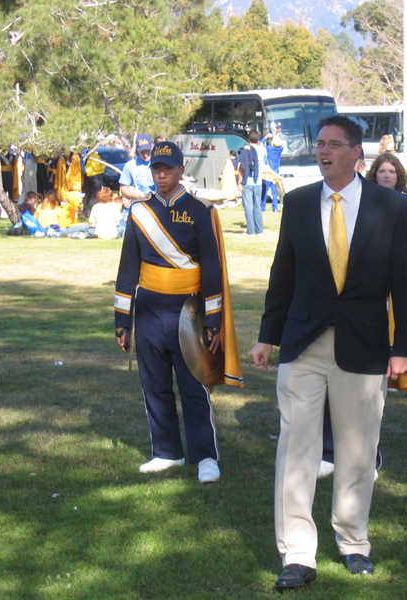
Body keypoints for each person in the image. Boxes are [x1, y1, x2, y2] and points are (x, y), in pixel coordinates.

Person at [249, 115, 407, 591]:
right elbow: (283, 274)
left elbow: (406, 284)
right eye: (319, 144)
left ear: (355, 153)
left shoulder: (391, 206)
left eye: (333, 144)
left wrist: (404, 347)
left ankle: (353, 541)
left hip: (364, 343)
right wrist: (268, 336)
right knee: (296, 447)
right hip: (303, 342)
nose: (323, 151)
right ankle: (298, 554)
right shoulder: (299, 202)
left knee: (357, 447)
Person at [114, 141, 243, 482]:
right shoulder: (139, 212)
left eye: (167, 168)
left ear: (181, 170)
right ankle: (166, 451)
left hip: (189, 309)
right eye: (156, 168)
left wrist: (213, 318)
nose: (161, 174)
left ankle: (206, 457)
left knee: (193, 385)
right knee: (154, 384)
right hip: (149, 310)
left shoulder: (200, 211)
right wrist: (122, 318)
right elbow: (128, 266)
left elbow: (211, 268)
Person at [319, 153, 407, 477]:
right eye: (380, 170)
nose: (385, 175)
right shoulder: (354, 201)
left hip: (377, 301)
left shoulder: (403, 206)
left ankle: (369, 456)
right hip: (338, 305)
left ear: (398, 175)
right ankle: (329, 453)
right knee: (329, 381)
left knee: (367, 390)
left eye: (390, 171)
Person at [237, 130, 267, 235]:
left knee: (248, 207)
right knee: (258, 206)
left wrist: (239, 182)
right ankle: (260, 230)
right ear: (258, 139)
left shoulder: (245, 150)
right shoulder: (263, 150)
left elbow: (241, 167)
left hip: (247, 182)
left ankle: (251, 230)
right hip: (258, 181)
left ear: (248, 139)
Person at [119, 134, 155, 202]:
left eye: (148, 151)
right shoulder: (130, 165)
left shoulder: (160, 162)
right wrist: (136, 196)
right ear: (138, 150)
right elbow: (123, 188)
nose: (145, 155)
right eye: (142, 152)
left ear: (152, 146)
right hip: (139, 202)